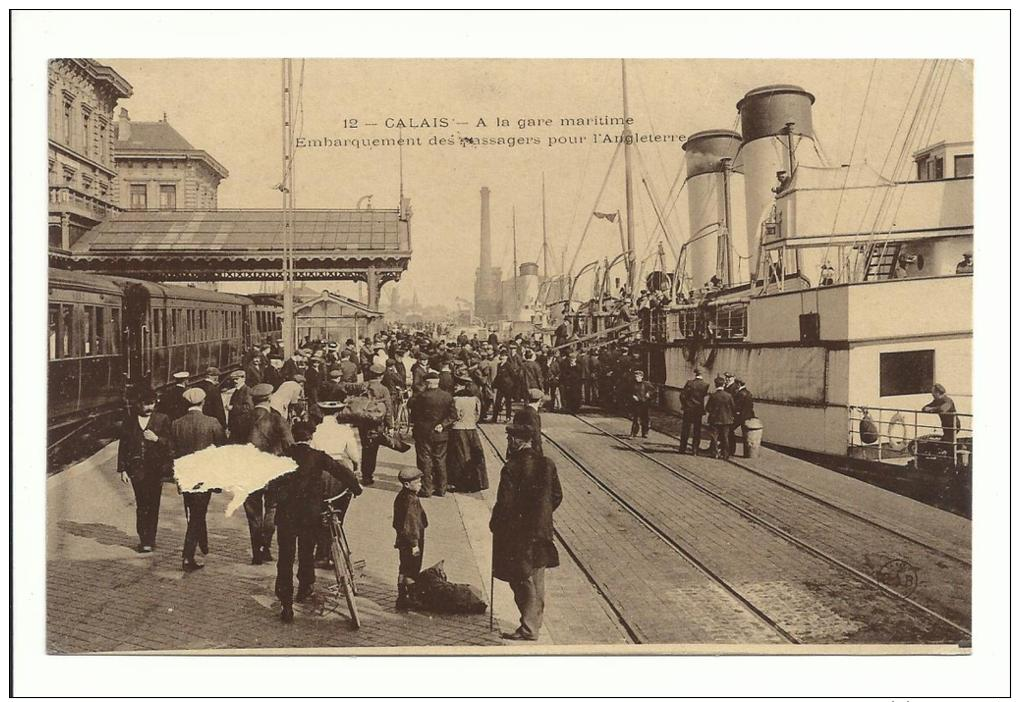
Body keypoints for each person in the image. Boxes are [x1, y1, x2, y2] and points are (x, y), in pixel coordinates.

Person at [273, 421, 361, 623]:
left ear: (294, 437)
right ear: (311, 437)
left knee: (285, 558)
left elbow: (270, 482)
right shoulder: (318, 456)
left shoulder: (282, 457)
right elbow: (341, 472)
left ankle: (286, 605)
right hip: (309, 515)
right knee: (306, 552)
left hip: (287, 515)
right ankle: (305, 587)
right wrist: (356, 488)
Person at [490, 423, 562, 641]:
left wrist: (497, 524)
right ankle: (534, 625)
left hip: (518, 534)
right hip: (541, 532)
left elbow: (505, 504)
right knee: (537, 579)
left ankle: (529, 628)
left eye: (509, 440)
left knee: (521, 579)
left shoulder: (512, 467)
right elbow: (557, 496)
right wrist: (543, 515)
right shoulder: (547, 464)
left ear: (515, 441)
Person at [171, 387, 226, 571]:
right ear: (203, 402)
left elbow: (173, 452)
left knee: (193, 511)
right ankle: (188, 557)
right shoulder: (212, 423)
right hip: (205, 477)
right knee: (197, 515)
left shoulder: (176, 424)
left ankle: (203, 543)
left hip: (186, 476)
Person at [117, 386, 173, 553]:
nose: (149, 407)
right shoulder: (129, 421)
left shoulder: (163, 419)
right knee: (142, 505)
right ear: (138, 404)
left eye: (152, 403)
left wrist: (157, 439)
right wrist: (123, 469)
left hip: (156, 470)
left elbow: (171, 444)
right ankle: (144, 540)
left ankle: (151, 538)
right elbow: (124, 445)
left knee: (153, 504)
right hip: (137, 470)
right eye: (145, 404)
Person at [247, 383, 294, 565]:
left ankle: (256, 552)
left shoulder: (242, 419)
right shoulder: (277, 419)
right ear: (269, 398)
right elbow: (290, 445)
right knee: (272, 508)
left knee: (253, 513)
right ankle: (265, 546)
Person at [408, 371, 458, 497]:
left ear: (428, 383)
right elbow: (453, 415)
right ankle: (441, 489)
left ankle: (426, 489)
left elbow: (413, 413)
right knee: (440, 460)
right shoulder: (447, 396)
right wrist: (443, 424)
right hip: (441, 433)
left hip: (423, 433)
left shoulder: (421, 396)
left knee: (424, 460)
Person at [392, 466, 428, 610]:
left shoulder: (401, 496)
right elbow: (411, 523)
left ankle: (401, 597)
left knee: (404, 567)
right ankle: (411, 598)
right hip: (412, 540)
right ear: (407, 484)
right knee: (413, 569)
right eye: (417, 482)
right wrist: (414, 544)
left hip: (402, 539)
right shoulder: (411, 500)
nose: (420, 484)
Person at [448, 374, 488, 493]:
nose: (455, 387)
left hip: (459, 430)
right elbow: (478, 415)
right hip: (472, 429)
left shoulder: (455, 399)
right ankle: (477, 482)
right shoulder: (475, 399)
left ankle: (462, 484)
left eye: (458, 385)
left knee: (460, 457)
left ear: (462, 386)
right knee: (474, 455)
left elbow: (455, 416)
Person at [361, 362, 395, 486]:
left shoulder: (363, 386)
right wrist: (390, 425)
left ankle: (365, 474)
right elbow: (388, 408)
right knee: (373, 449)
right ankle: (368, 474)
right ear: (381, 376)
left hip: (363, 422)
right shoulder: (383, 389)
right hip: (377, 423)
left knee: (365, 447)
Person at [679, 368, 709, 455]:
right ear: (703, 374)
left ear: (695, 373)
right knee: (697, 430)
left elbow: (682, 396)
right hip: (698, 410)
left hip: (688, 409)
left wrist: (685, 404)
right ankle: (694, 450)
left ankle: (682, 449)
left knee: (685, 429)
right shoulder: (706, 385)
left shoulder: (690, 383)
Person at [706, 376, 735, 459]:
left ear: (715, 385)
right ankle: (725, 454)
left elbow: (708, 408)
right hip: (726, 420)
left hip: (715, 420)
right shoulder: (729, 396)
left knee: (714, 437)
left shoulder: (713, 396)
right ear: (723, 385)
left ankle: (715, 453)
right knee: (725, 437)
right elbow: (733, 407)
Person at [513, 388, 544, 456]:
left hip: (518, 449)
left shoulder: (519, 413)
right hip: (530, 452)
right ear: (540, 401)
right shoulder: (534, 414)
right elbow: (536, 436)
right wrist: (540, 454)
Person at [226, 370, 254, 443]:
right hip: (236, 426)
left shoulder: (247, 390)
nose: (235, 381)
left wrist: (233, 408)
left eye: (237, 379)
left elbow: (249, 407)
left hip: (242, 426)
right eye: (233, 379)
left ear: (243, 379)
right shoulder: (237, 390)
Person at [491, 350, 517, 423]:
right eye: (501, 355)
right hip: (500, 386)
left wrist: (512, 385)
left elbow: (513, 375)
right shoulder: (499, 365)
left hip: (508, 387)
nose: (502, 357)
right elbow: (498, 376)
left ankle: (508, 417)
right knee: (497, 402)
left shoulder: (508, 365)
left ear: (506, 357)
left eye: (503, 356)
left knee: (508, 402)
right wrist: (494, 384)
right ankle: (494, 418)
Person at [628, 369, 655, 438]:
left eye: (638, 376)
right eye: (635, 376)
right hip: (636, 404)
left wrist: (649, 393)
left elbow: (653, 390)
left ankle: (645, 433)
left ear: (642, 377)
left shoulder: (646, 384)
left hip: (645, 403)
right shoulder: (632, 384)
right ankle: (633, 433)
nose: (636, 377)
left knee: (645, 419)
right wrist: (632, 396)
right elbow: (627, 392)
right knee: (636, 419)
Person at [731, 378, 755, 455]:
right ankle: (747, 453)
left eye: (735, 384)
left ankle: (731, 450)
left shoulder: (740, 394)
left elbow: (737, 406)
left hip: (740, 417)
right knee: (746, 436)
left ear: (738, 384)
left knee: (730, 430)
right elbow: (751, 406)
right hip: (747, 417)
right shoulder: (749, 393)